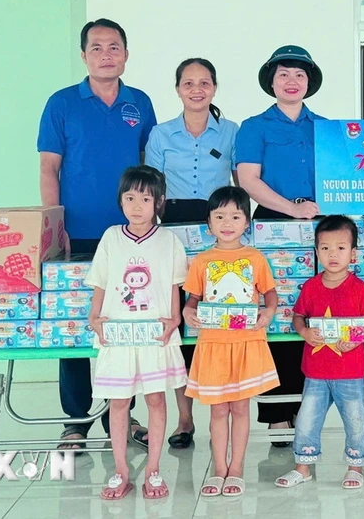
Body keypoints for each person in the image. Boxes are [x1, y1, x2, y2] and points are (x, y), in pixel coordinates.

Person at [37, 18, 156, 449]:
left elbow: (148, 169)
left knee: (127, 321)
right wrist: (56, 226)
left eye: (114, 46)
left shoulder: (139, 103)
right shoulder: (63, 103)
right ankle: (76, 418)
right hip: (79, 233)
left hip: (132, 232)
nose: (106, 54)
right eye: (97, 47)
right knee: (77, 322)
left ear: (126, 53)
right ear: (83, 54)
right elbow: (49, 168)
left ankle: (122, 416)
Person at [145, 57, 238, 449]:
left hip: (218, 227)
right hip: (173, 228)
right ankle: (185, 420)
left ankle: (228, 406)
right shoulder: (160, 133)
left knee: (218, 320)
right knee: (179, 323)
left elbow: (240, 184)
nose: (196, 89)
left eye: (204, 82)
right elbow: (152, 189)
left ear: (214, 88)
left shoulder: (231, 131)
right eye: (188, 83)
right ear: (178, 89)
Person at [235, 45, 327, 440]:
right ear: (271, 81)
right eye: (284, 74)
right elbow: (248, 180)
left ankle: (309, 407)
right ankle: (276, 413)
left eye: (300, 75)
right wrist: (292, 209)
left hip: (321, 227)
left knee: (313, 311)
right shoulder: (254, 126)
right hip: (274, 226)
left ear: (309, 83)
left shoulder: (324, 127)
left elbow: (342, 176)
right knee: (274, 312)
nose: (292, 81)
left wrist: (321, 207)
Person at [85, 166, 188, 500]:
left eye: (145, 198)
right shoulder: (111, 236)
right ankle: (121, 471)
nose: (137, 205)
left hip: (155, 334)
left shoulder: (168, 240)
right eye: (130, 198)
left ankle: (154, 469)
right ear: (121, 200)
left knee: (156, 399)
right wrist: (94, 316)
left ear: (158, 201)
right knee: (118, 402)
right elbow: (100, 281)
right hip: (118, 335)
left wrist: (174, 320)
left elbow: (175, 285)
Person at [182, 186, 279, 497]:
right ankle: (218, 468)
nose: (227, 222)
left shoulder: (255, 258)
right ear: (208, 223)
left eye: (235, 216)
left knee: (239, 407)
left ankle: (236, 467)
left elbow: (270, 292)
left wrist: (269, 311)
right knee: (217, 410)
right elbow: (193, 297)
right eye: (219, 216)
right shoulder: (201, 261)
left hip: (246, 342)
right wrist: (187, 310)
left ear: (246, 223)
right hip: (212, 345)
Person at [274, 216, 364, 490]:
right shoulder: (310, 287)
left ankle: (355, 467)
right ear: (316, 252)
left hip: (350, 372)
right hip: (316, 372)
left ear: (353, 253)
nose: (333, 254)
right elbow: (298, 317)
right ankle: (303, 467)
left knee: (355, 421)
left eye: (341, 248)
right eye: (326, 248)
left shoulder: (358, 288)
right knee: (307, 420)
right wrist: (305, 333)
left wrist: (356, 340)